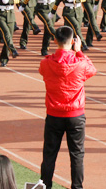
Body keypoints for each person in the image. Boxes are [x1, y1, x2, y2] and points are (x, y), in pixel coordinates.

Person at [39, 26, 96, 189]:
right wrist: (79, 52)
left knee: (49, 154)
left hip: (54, 114)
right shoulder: (80, 63)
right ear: (72, 41)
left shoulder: (46, 62)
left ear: (55, 41)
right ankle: (77, 187)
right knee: (77, 155)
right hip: (75, 115)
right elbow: (92, 70)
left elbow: (42, 71)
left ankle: (45, 185)